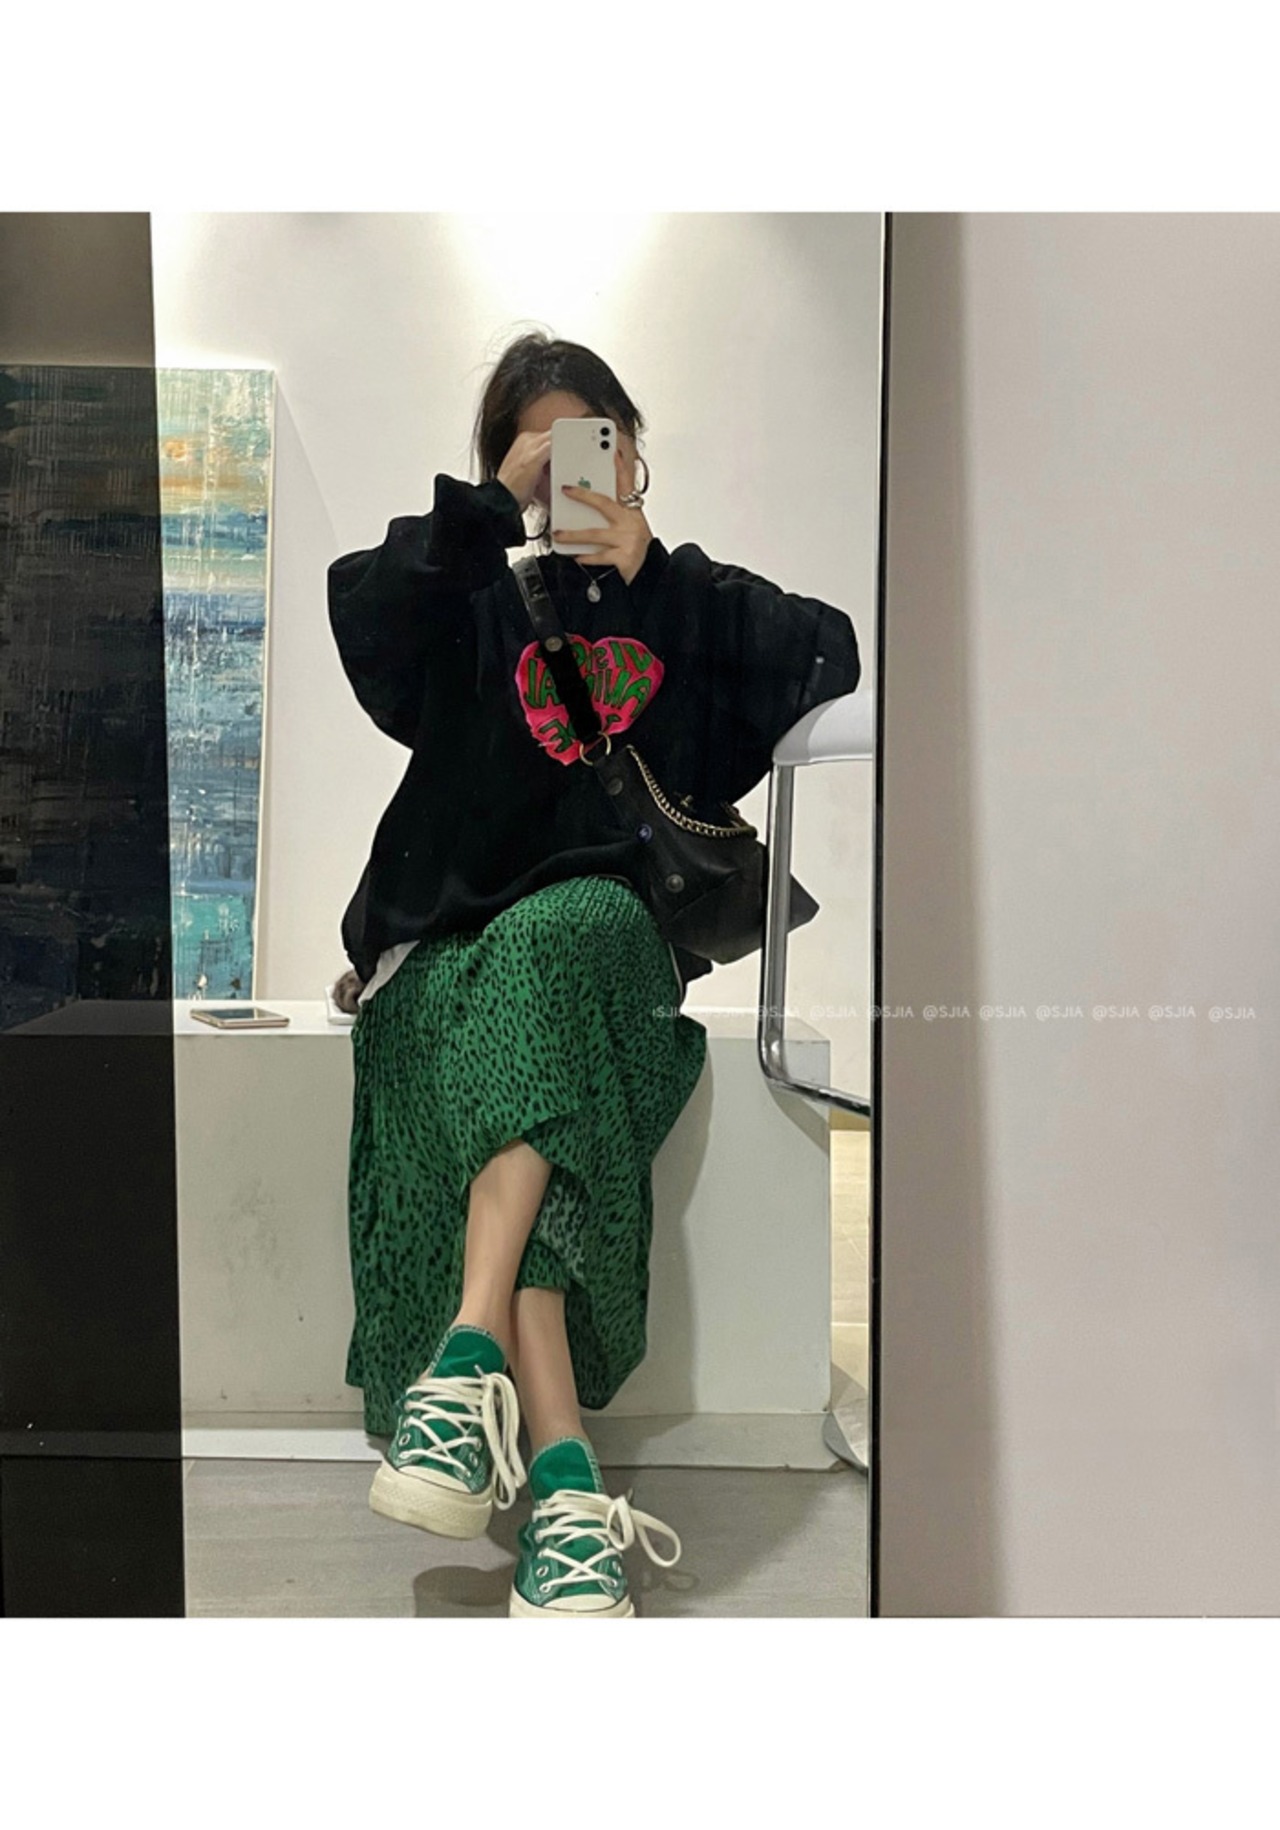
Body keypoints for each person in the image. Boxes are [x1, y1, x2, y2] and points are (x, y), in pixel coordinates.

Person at [327, 330, 861, 1618]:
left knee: (561, 939)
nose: (569, 468)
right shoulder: (467, 599)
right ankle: (564, 1481)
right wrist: (486, 513)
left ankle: (466, 1362)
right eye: (540, 449)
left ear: (629, 451)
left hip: (610, 940)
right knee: (541, 1068)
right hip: (456, 952)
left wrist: (653, 574)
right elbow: (366, 621)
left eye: (590, 441)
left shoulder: (685, 598)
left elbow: (829, 651)